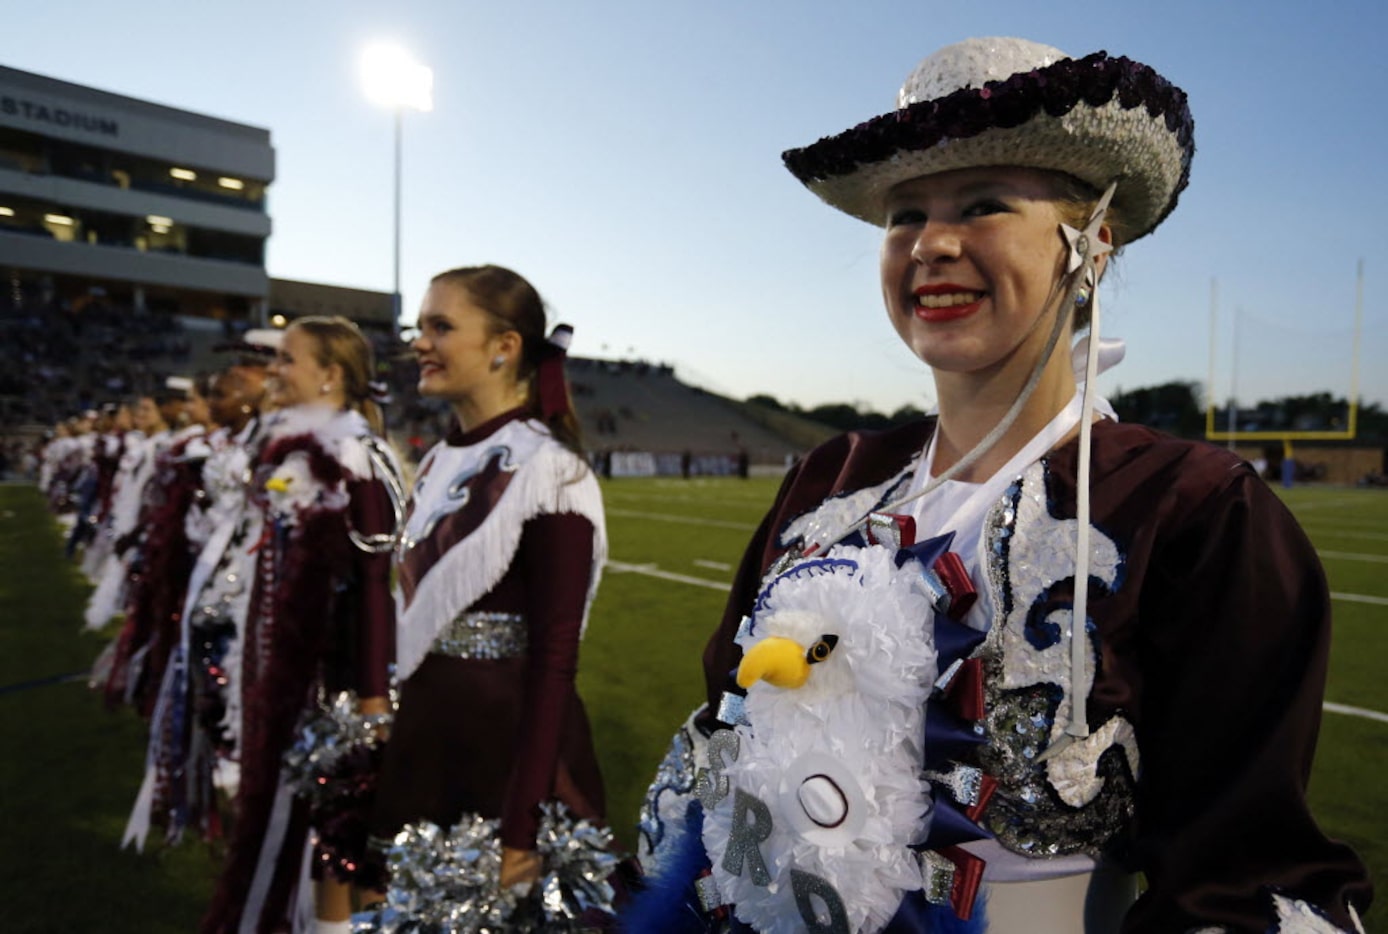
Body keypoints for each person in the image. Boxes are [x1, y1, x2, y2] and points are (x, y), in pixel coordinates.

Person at [631, 37, 1371, 933]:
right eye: (904, 215)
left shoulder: (1190, 509)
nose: (932, 244)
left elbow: (1241, 873)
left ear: (1091, 241)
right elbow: (723, 738)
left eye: (982, 205)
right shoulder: (833, 479)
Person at [361, 265, 619, 930]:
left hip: (507, 759)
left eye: (441, 326)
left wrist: (521, 826)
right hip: (426, 738)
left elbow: (556, 659)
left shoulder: (549, 467)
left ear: (504, 346)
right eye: (420, 326)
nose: (421, 342)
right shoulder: (441, 458)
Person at [201, 316, 403, 934]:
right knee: (310, 834)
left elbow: (373, 583)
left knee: (338, 838)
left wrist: (370, 698)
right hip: (285, 671)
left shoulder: (356, 455)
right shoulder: (289, 446)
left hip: (335, 679)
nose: (276, 372)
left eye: (289, 359)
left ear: (331, 373)